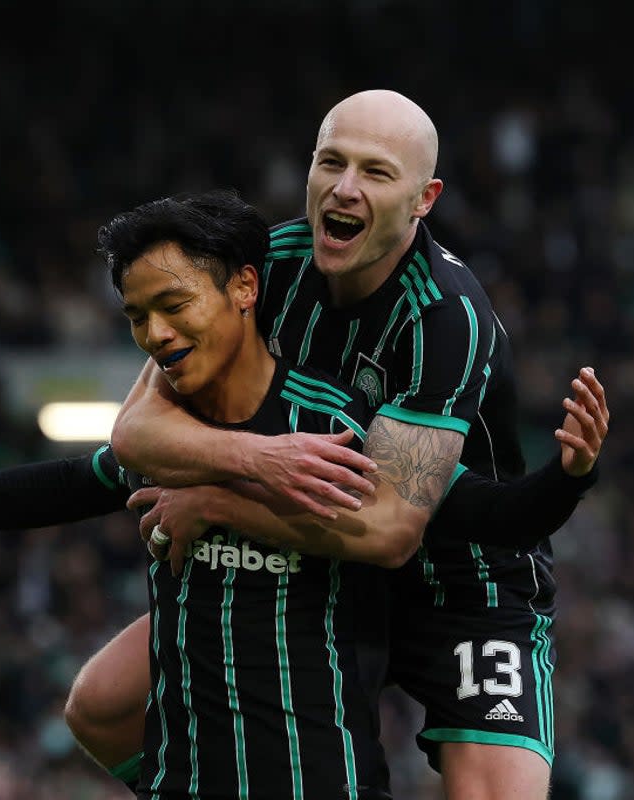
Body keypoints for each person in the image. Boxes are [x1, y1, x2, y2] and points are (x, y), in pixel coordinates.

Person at [0, 185, 608, 797]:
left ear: (245, 292)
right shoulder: (172, 429)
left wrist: (569, 474)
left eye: (174, 306)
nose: (156, 333)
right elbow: (77, 481)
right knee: (94, 704)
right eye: (137, 315)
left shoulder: (343, 420)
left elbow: (476, 511)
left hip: (369, 701)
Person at [103, 89, 608, 799]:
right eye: (330, 163)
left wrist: (219, 499)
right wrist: (258, 461)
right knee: (102, 709)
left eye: (375, 172)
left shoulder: (445, 318)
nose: (343, 188)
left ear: (423, 198)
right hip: (318, 555)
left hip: (464, 586)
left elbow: (390, 528)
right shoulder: (268, 265)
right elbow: (133, 433)